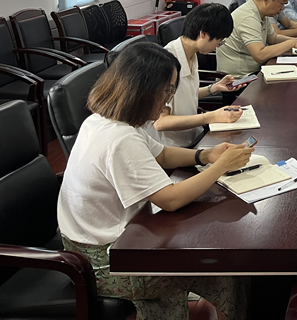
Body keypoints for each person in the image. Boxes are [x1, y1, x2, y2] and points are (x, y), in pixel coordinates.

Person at [57, 42, 252, 319]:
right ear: (142, 90)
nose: (168, 101)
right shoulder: (119, 139)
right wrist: (221, 167)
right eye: (167, 91)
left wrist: (205, 155)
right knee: (224, 266)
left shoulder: (103, 120)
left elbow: (161, 154)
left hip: (98, 245)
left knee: (213, 255)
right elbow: (170, 199)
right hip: (105, 262)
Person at [150, 3, 247, 147]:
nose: (217, 46)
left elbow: (185, 95)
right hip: (174, 147)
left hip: (193, 136)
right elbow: (160, 122)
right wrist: (211, 116)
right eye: (218, 42)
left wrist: (214, 88)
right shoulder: (167, 63)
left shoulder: (191, 53)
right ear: (203, 34)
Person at [216, 0, 297, 77]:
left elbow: (273, 38)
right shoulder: (248, 17)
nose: (283, 8)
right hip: (239, 80)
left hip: (254, 73)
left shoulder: (261, 13)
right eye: (281, 3)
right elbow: (260, 55)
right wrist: (292, 43)